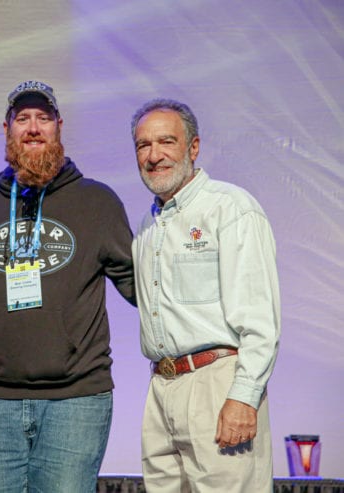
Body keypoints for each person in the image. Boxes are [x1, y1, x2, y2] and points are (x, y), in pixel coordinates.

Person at [0, 81, 135, 492]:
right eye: (23, 119)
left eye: (43, 118)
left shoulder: (97, 202)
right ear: (7, 130)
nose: (34, 128)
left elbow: (143, 287)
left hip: (76, 403)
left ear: (59, 126)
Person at [130, 98, 280, 492]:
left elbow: (260, 320)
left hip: (217, 384)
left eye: (166, 142)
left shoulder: (230, 208)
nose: (154, 155)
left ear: (193, 148)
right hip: (162, 387)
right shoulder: (148, 224)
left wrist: (244, 397)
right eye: (143, 145)